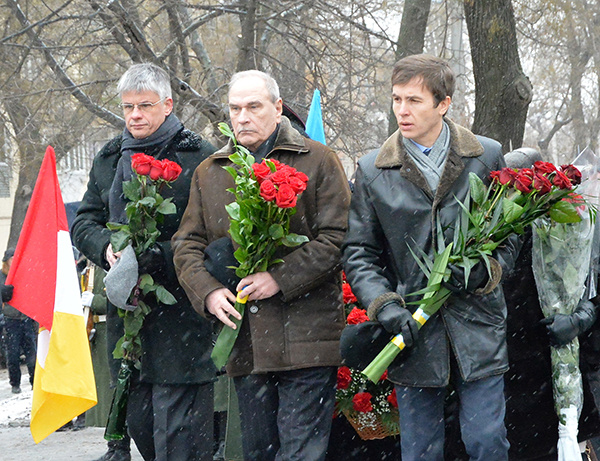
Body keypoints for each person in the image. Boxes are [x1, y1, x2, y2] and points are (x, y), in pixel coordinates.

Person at [342, 54, 520, 461]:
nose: (402, 111)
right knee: (420, 450)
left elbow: (510, 234)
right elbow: (359, 252)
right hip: (412, 329)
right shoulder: (373, 170)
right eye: (396, 99)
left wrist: (484, 271)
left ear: (443, 104)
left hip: (478, 323)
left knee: (486, 441)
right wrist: (386, 305)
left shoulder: (486, 156)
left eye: (414, 100)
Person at [172, 70, 351, 461]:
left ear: (278, 107)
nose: (243, 117)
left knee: (302, 454)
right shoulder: (210, 171)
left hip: (307, 337)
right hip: (247, 342)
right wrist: (208, 292)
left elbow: (338, 238)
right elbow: (186, 245)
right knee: (259, 453)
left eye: (254, 107)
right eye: (235, 109)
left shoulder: (318, 160)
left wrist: (279, 278)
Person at [71, 62, 217, 461]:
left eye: (145, 106)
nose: (134, 115)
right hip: (128, 314)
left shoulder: (199, 156)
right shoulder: (109, 157)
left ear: (167, 105)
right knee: (141, 421)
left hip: (181, 313)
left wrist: (159, 256)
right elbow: (84, 221)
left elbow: (213, 234)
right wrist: (107, 248)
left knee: (179, 435)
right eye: (128, 106)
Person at [502, 148, 600, 461]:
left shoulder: (569, 223)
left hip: (552, 358)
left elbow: (592, 286)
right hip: (505, 366)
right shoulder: (493, 227)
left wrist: (580, 318)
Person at [0, 248, 36, 394]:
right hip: (10, 320)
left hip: (25, 318)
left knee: (31, 353)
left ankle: (34, 380)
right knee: (13, 355)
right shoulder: (2, 276)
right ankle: (15, 383)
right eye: (11, 258)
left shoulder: (23, 273)